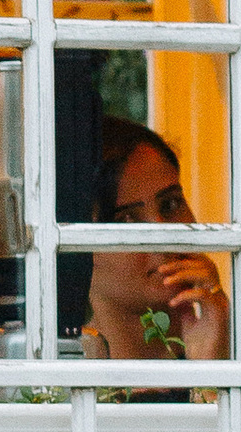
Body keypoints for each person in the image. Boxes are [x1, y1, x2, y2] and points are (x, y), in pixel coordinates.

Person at [79, 120, 229, 362]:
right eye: (126, 221)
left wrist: (212, 368)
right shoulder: (61, 387)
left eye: (170, 204)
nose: (162, 233)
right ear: (79, 248)